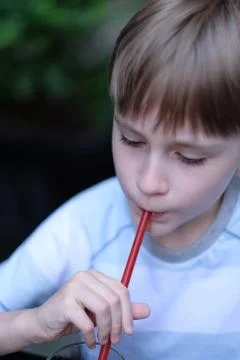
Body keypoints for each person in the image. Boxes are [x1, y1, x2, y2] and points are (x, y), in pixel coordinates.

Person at [1, 0, 240, 358]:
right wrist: (33, 322)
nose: (148, 182)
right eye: (131, 139)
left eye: (189, 157)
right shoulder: (85, 226)